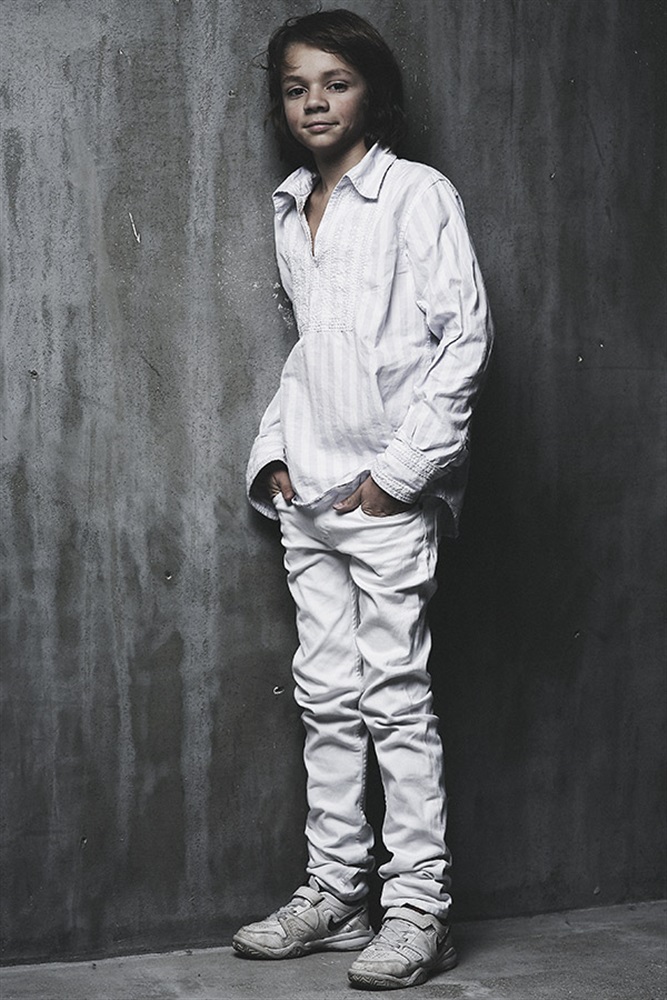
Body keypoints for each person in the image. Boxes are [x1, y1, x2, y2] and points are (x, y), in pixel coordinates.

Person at [233, 8, 493, 991]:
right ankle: (336, 892)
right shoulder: (291, 205)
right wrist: (275, 456)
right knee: (326, 699)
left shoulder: (416, 193)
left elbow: (463, 341)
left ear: (370, 91)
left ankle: (419, 907)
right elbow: (313, 352)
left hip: (385, 496)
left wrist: (398, 476)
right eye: (295, 86)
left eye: (334, 83)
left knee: (394, 700)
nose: (313, 102)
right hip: (308, 495)